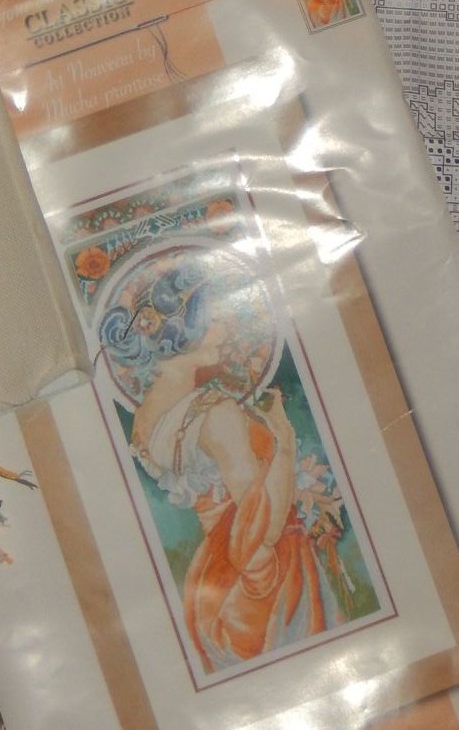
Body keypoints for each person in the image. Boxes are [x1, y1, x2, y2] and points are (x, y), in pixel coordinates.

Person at [99, 247, 329, 674]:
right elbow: (264, 530)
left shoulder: (145, 419)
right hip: (261, 591)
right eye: (215, 319)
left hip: (210, 585)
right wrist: (284, 442)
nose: (225, 329)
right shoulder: (217, 415)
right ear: (184, 332)